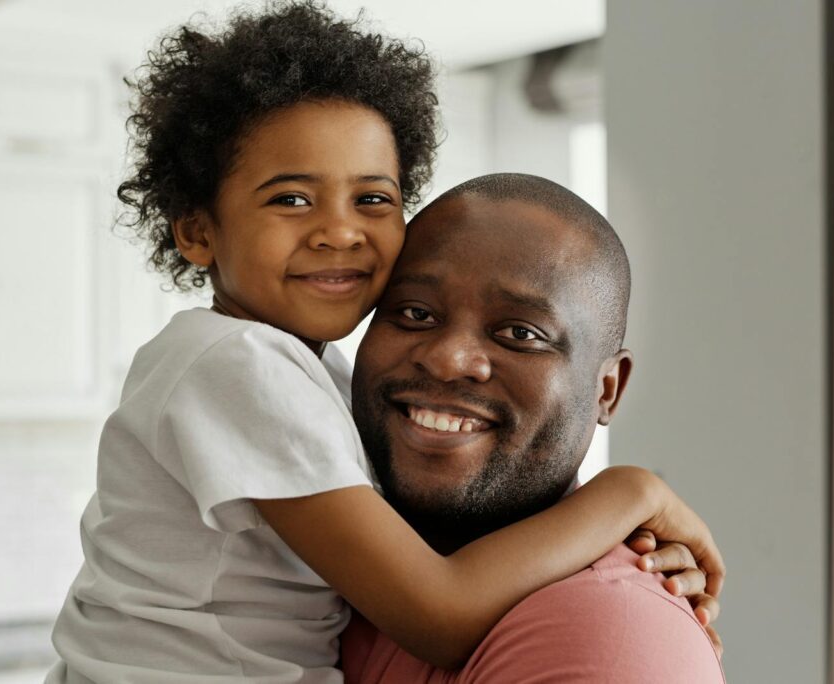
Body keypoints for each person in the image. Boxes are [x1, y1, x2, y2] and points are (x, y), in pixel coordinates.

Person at [46, 3, 723, 682]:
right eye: (291, 200)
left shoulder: (307, 371)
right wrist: (632, 492)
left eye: (371, 199)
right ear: (197, 233)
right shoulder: (237, 366)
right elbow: (440, 613)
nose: (340, 232)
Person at [343, 173, 726, 683]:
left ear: (606, 388)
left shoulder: (604, 633)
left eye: (521, 333)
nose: (447, 358)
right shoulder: (319, 552)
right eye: (415, 313)